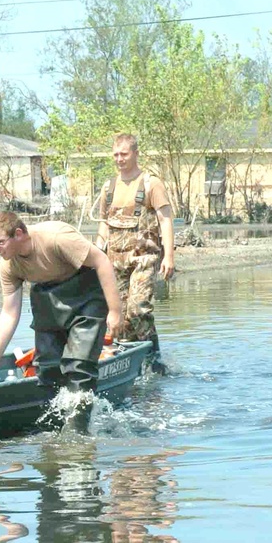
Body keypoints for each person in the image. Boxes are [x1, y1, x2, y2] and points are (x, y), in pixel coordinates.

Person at [0, 212, 122, 424]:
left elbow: (101, 261)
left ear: (18, 234)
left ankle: (78, 434)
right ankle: (56, 429)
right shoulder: (9, 265)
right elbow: (9, 313)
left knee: (78, 367)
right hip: (47, 300)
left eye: (0, 243)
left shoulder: (56, 238)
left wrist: (115, 311)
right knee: (48, 369)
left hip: (85, 295)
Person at [96, 133, 175, 373]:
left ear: (136, 154)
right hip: (114, 262)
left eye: (124, 154)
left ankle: (154, 361)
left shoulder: (152, 184)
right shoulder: (108, 187)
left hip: (144, 259)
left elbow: (166, 220)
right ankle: (128, 365)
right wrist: (96, 254)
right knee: (116, 314)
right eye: (116, 154)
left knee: (139, 308)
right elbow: (103, 224)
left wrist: (169, 256)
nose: (119, 159)